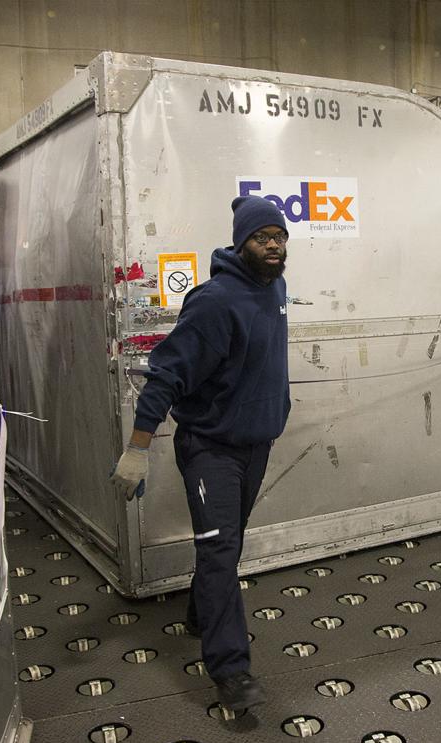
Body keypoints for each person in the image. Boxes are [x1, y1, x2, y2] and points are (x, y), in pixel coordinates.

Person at [109, 195, 291, 711]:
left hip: (256, 445)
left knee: (224, 548)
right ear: (242, 243)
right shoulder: (214, 300)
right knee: (217, 551)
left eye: (279, 236)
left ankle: (199, 613)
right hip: (212, 449)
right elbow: (166, 372)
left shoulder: (275, 286)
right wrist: (138, 449)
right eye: (262, 237)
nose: (273, 245)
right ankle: (231, 671)